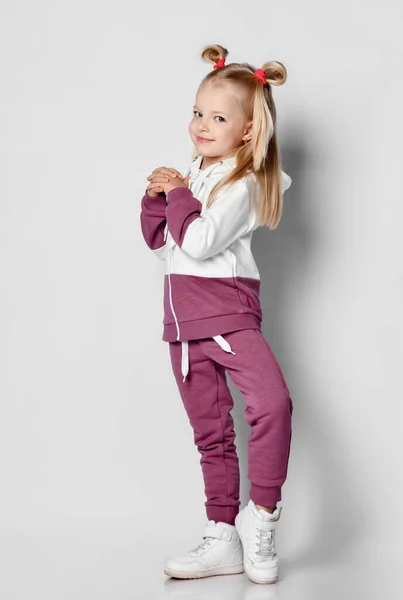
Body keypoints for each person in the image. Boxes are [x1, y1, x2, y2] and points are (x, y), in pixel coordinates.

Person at [139, 44, 294, 586]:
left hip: (225, 315)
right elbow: (169, 249)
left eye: (219, 117)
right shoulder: (194, 174)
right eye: (198, 113)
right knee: (213, 436)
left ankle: (263, 515)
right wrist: (156, 199)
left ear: (248, 131)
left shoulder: (244, 183)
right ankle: (222, 535)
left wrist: (179, 194)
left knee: (272, 405)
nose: (202, 125)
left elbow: (201, 242)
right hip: (182, 325)